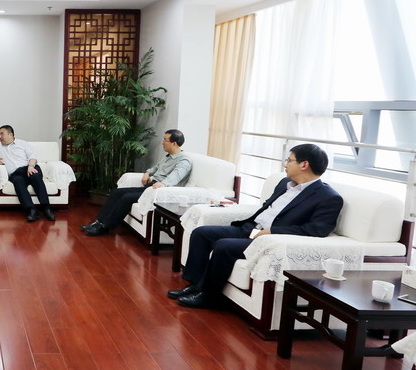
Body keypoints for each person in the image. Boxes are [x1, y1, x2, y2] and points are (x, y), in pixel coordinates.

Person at [168, 143, 343, 308]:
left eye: (289, 160)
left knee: (223, 246)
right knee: (201, 233)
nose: (285, 164)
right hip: (251, 229)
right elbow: (266, 207)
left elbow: (317, 230)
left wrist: (272, 231)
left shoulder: (328, 197)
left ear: (304, 165)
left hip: (267, 240)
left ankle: (208, 295)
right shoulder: (284, 183)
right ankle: (195, 285)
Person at [81, 129, 192, 236]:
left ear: (174, 143)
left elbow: (175, 176)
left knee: (127, 198)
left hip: (159, 192)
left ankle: (105, 227)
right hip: (149, 187)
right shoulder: (168, 157)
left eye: (165, 140)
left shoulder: (184, 160)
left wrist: (163, 184)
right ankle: (99, 222)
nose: (162, 143)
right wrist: (147, 173)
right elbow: (155, 168)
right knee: (117, 192)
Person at [0, 125, 54, 222]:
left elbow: (32, 157)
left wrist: (30, 166)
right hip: (15, 174)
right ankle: (32, 210)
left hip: (29, 168)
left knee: (35, 176)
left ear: (10, 134)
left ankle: (46, 208)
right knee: (18, 182)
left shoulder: (23, 144)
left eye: (2, 134)